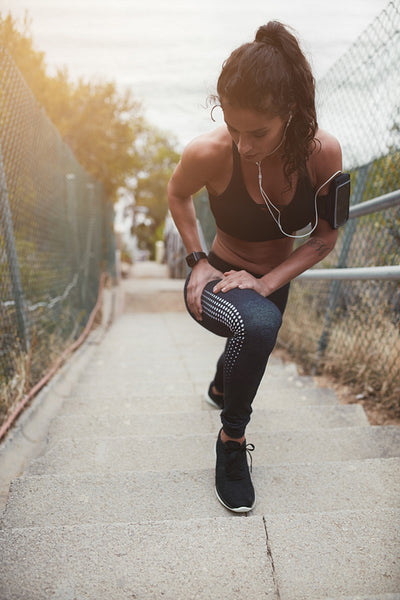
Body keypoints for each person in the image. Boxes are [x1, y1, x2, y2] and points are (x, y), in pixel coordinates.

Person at [167, 20, 345, 513]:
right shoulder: (209, 152)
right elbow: (176, 193)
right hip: (218, 279)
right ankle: (230, 442)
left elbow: (326, 237)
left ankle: (222, 381)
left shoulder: (322, 154)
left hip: (271, 281)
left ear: (289, 112)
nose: (244, 145)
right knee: (259, 325)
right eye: (234, 127)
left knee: (256, 328)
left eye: (258, 132)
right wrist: (197, 261)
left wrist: (266, 281)